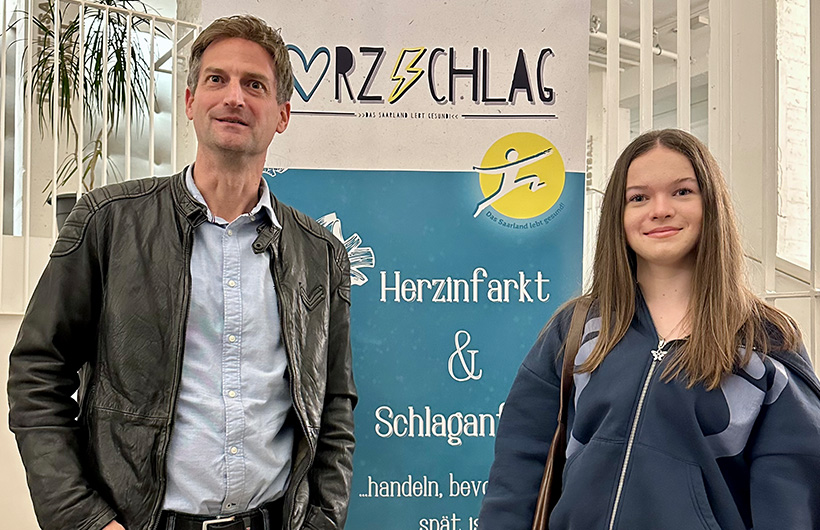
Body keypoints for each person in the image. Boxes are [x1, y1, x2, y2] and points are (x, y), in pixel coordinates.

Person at [7, 15, 356, 530]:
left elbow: (333, 406)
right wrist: (81, 519)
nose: (234, 97)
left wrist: (322, 521)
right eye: (217, 79)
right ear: (190, 101)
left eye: (254, 85)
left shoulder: (320, 254)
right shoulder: (108, 223)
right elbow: (37, 375)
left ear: (282, 114)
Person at [478, 129, 820, 529]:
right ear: (618, 216)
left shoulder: (765, 341)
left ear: (711, 204)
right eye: (638, 198)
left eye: (682, 192)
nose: (660, 210)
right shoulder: (574, 330)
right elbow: (518, 470)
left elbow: (792, 495)